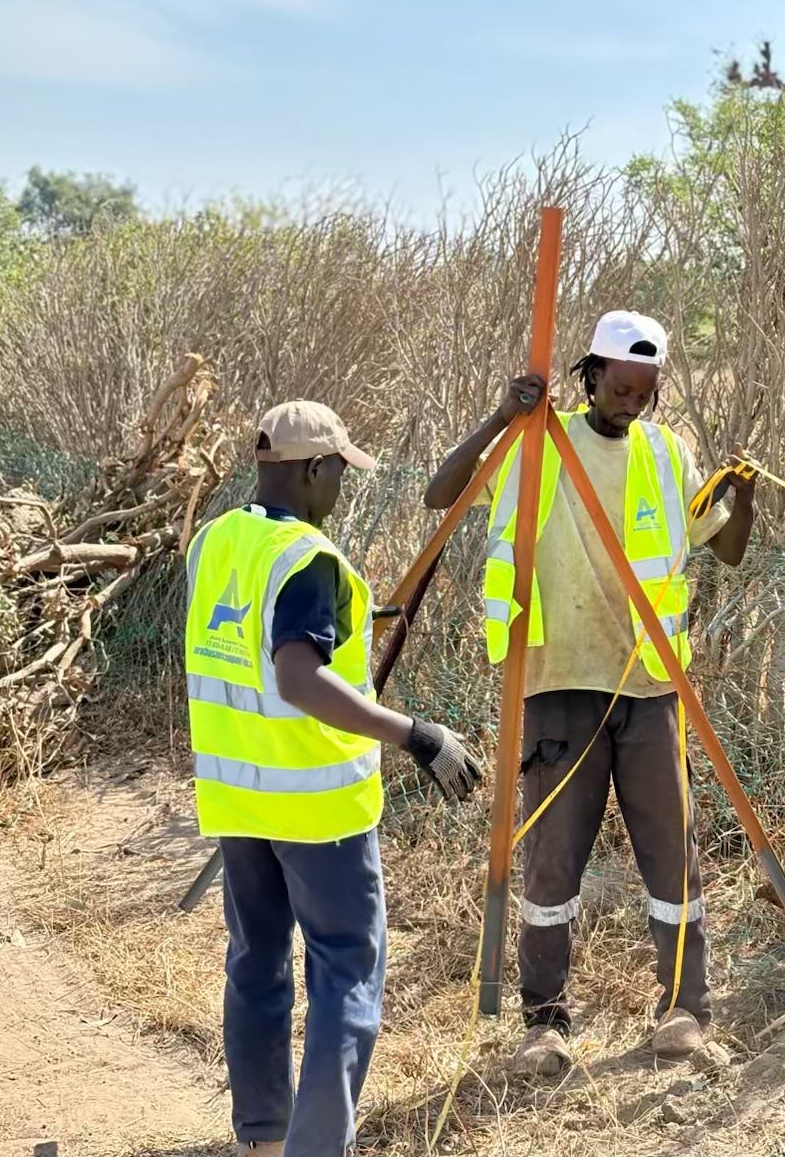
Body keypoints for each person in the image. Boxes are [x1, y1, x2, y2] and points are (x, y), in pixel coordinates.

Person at [425, 311, 755, 1076]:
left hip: (650, 687)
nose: (631, 403)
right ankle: (545, 1023)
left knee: (672, 855)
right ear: (591, 374)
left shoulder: (668, 455)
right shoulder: (536, 444)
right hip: (559, 683)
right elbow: (442, 493)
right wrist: (501, 416)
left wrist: (744, 498)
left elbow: (730, 551)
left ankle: (683, 1009)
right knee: (553, 862)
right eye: (620, 387)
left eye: (645, 392)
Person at [186, 400, 483, 1157]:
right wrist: (418, 735)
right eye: (339, 472)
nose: (341, 488)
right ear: (314, 469)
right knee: (346, 971)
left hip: (235, 798)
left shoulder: (215, 540)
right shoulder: (308, 559)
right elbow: (296, 678)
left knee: (256, 963)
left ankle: (264, 1139)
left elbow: (248, 651)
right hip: (316, 807)